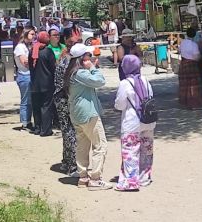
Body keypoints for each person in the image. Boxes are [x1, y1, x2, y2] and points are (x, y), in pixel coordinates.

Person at [65, 43, 111, 190]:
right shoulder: (81, 73)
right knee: (100, 145)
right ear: (82, 58)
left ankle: (83, 176)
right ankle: (95, 179)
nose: (90, 58)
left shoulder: (71, 72)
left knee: (83, 145)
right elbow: (100, 81)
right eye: (88, 56)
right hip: (88, 114)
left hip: (77, 114)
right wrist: (92, 67)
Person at [114, 55, 156, 191]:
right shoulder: (145, 80)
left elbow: (120, 105)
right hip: (148, 120)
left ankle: (131, 181)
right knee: (146, 150)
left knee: (130, 151)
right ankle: (144, 178)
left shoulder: (125, 83)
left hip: (131, 122)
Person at [52, 37, 78, 176]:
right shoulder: (69, 62)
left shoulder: (63, 59)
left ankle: (66, 161)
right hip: (65, 98)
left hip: (59, 98)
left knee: (66, 131)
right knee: (71, 131)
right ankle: (73, 165)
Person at [29, 31, 57, 136]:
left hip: (34, 83)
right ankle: (45, 130)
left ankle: (37, 128)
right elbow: (53, 67)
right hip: (47, 83)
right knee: (46, 106)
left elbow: (31, 67)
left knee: (36, 107)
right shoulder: (48, 51)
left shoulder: (32, 50)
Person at [178, 28, 202, 109]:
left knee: (185, 84)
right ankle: (194, 103)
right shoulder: (194, 44)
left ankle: (185, 102)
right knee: (193, 85)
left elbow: (179, 51)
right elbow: (196, 57)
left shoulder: (182, 42)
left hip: (183, 63)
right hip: (192, 64)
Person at [14, 28, 35, 130]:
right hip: (24, 75)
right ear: (26, 34)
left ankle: (28, 121)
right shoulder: (20, 47)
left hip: (30, 75)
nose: (34, 36)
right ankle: (25, 123)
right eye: (32, 34)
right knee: (25, 100)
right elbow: (24, 62)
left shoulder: (29, 46)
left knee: (30, 100)